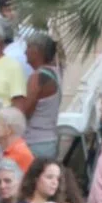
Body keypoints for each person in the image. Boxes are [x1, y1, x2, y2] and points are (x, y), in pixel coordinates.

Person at [20, 31, 64, 160]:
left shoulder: (37, 77)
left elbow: (25, 113)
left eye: (28, 47)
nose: (25, 52)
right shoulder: (55, 73)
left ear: (37, 50)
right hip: (49, 139)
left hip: (35, 143)